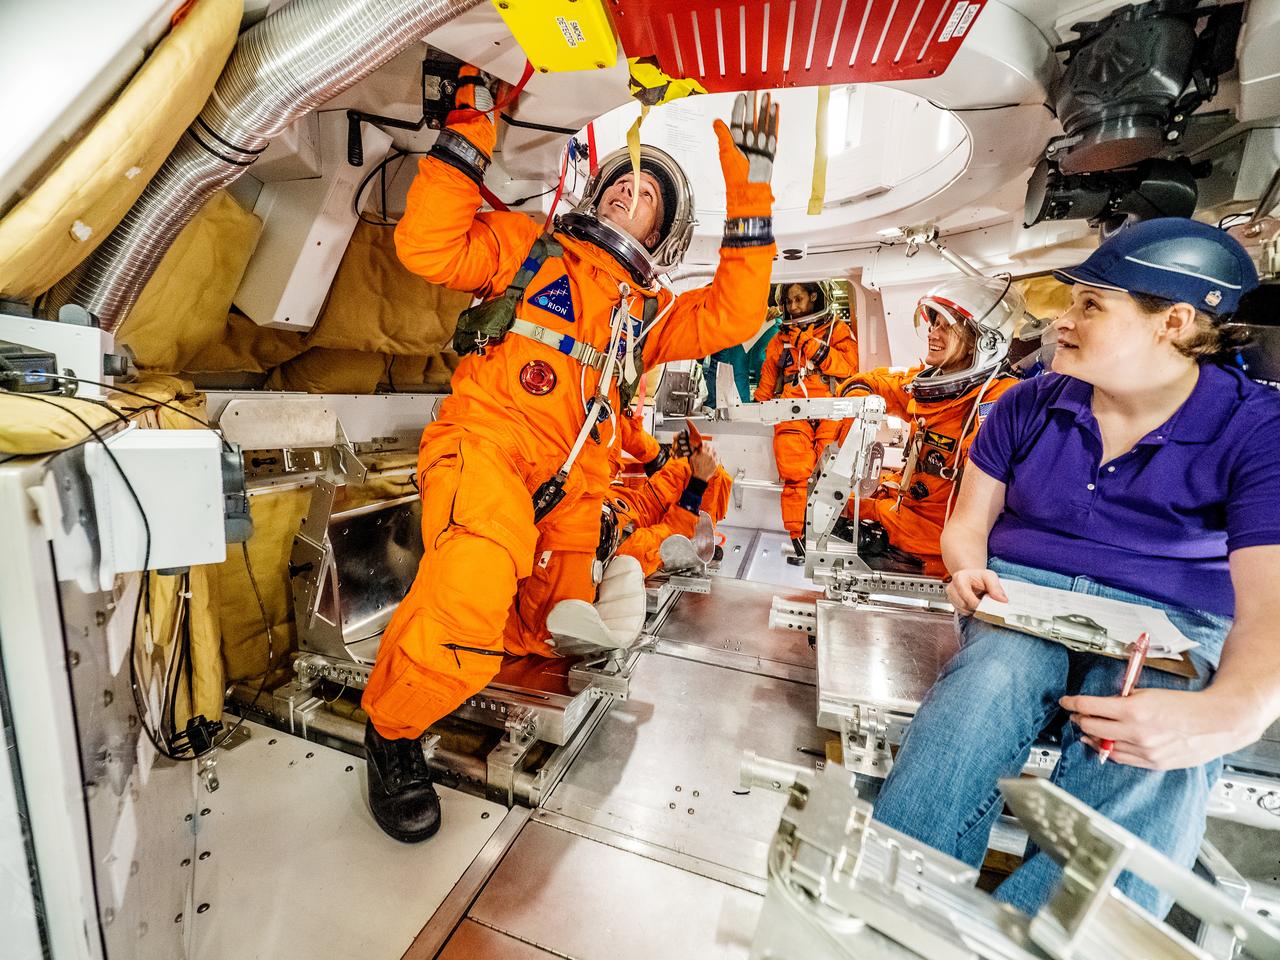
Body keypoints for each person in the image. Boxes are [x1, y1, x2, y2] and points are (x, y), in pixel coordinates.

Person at [358, 69, 780, 842]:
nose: (630, 195)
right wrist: (471, 127)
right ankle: (391, 731)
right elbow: (425, 245)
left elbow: (737, 310)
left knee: (553, 624)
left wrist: (751, 190)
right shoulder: (529, 251)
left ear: (662, 232)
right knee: (475, 588)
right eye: (624, 182)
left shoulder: (648, 318)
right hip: (485, 447)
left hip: (571, 490)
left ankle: (500, 638)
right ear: (597, 191)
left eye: (648, 196)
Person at [870, 218, 1280, 917]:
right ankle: (892, 909)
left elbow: (1268, 607)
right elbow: (967, 525)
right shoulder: (1027, 403)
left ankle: (1062, 934)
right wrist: (966, 570)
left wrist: (1229, 713)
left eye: (1091, 304)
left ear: (1174, 322)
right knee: (983, 690)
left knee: (1149, 748)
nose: (1063, 321)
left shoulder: (1256, 428)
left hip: (1171, 624)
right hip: (1026, 597)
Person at [836, 276, 1023, 569]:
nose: (932, 334)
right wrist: (859, 404)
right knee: (835, 503)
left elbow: (976, 514)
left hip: (936, 538)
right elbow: (874, 381)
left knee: (837, 509)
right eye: (932, 324)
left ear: (983, 340)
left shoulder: (997, 403)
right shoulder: (930, 383)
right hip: (907, 507)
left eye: (945, 327)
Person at [753, 281, 858, 564]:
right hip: (791, 411)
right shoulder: (779, 339)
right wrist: (757, 407)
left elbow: (847, 367)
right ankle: (799, 540)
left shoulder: (837, 330)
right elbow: (766, 382)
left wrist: (805, 343)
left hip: (829, 410)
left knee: (830, 474)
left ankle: (828, 536)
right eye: (788, 301)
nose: (793, 307)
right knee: (795, 472)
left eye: (798, 299)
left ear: (814, 296)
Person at [609, 414, 732, 577]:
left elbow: (613, 432)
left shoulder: (578, 497)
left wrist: (655, 454)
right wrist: (697, 484)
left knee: (709, 475)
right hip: (666, 513)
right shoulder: (623, 550)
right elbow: (671, 538)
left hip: (644, 500)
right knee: (714, 478)